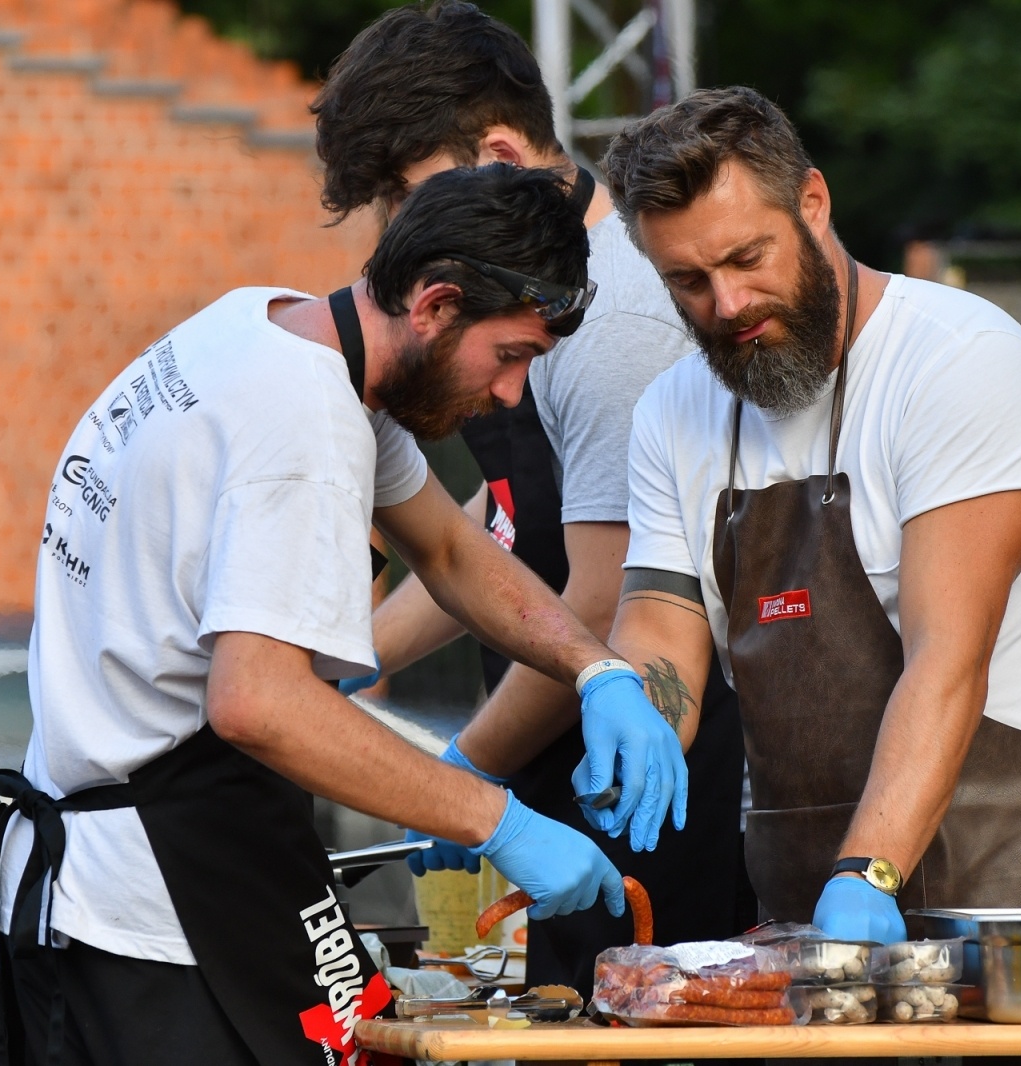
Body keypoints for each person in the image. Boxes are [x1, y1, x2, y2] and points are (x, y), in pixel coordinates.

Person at [0, 163, 687, 1066]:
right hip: (158, 914)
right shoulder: (302, 429)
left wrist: (597, 669)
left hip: (130, 877)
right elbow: (258, 704)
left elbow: (453, 552)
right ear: (434, 305)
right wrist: (498, 820)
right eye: (511, 356)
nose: (510, 396)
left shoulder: (268, 326)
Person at [596, 87, 1021, 943]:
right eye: (689, 282)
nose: (728, 303)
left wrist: (868, 875)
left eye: (749, 258)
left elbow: (947, 661)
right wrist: (630, 705)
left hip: (1016, 855)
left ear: (813, 204)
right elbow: (662, 625)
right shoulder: (673, 412)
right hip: (806, 874)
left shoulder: (963, 362)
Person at [311, 0, 755, 995]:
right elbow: (507, 521)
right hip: (556, 762)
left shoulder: (610, 328)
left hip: (657, 784)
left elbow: (600, 602)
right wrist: (358, 657)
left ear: (505, 156)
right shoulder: (507, 299)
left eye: (406, 195)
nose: (398, 233)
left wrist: (466, 773)